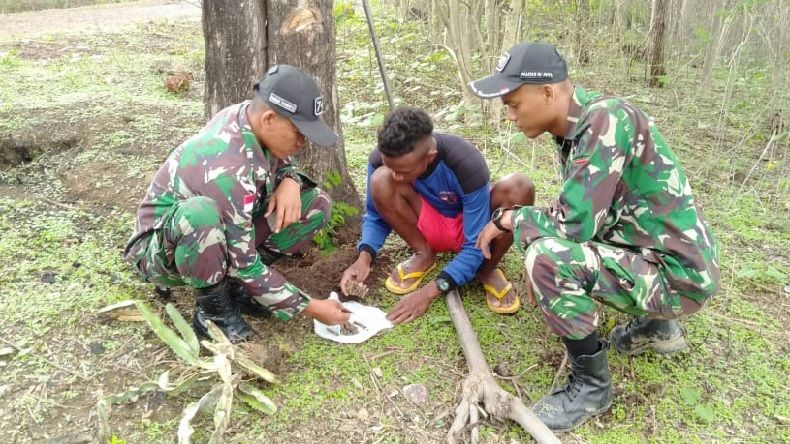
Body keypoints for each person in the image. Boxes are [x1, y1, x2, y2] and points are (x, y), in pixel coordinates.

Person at [470, 42, 720, 431]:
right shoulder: (582, 121)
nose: (510, 117)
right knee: (555, 242)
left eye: (514, 104)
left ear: (548, 93)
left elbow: (571, 225)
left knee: (546, 256)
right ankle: (657, 325)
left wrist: (509, 220)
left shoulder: (604, 121)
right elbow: (596, 213)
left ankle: (591, 387)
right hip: (669, 257)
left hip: (679, 275)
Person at [123, 64, 351, 343]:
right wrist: (312, 308)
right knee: (200, 216)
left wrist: (290, 179)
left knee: (315, 204)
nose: (303, 142)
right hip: (162, 251)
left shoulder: (250, 117)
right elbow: (244, 262)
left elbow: (279, 159)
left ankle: (237, 288)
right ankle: (214, 312)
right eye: (299, 132)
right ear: (269, 119)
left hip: (223, 232)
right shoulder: (228, 167)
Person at [339, 107, 535, 324]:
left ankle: (486, 269)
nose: (396, 176)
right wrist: (364, 258)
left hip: (478, 230)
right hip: (429, 224)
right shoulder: (381, 159)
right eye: (390, 166)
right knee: (380, 180)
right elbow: (375, 215)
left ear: (429, 157)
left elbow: (474, 245)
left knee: (520, 186)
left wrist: (427, 294)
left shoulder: (465, 162)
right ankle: (424, 254)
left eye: (403, 171)